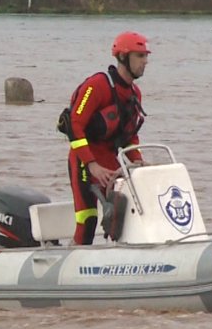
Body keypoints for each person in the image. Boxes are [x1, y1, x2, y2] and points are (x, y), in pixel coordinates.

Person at [63, 31, 150, 245]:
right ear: (123, 57)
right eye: (140, 56)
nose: (145, 61)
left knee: (126, 216)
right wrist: (91, 164)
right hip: (85, 160)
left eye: (146, 56)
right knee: (88, 219)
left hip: (111, 162)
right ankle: (76, 256)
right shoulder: (97, 85)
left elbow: (130, 136)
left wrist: (138, 161)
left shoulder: (135, 93)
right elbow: (74, 124)